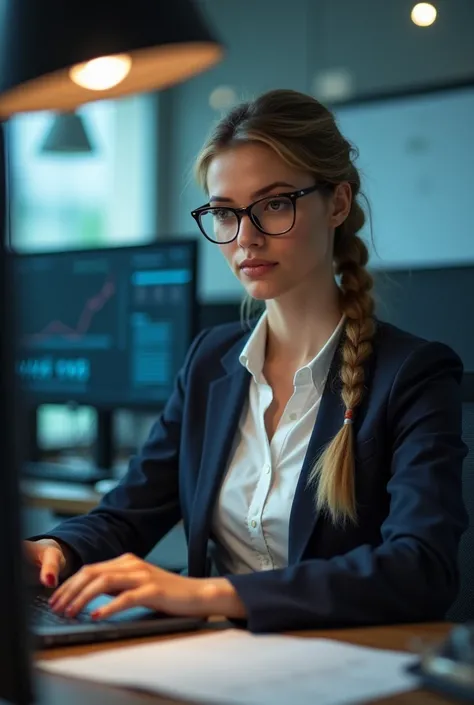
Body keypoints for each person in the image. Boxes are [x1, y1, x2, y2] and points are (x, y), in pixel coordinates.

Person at [26, 89, 468, 633]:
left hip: (346, 661)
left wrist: (210, 592)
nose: (246, 238)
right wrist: (52, 548)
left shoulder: (414, 375)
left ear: (337, 203)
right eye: (224, 212)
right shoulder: (211, 360)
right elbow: (128, 512)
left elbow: (420, 568)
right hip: (220, 658)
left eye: (275, 204)